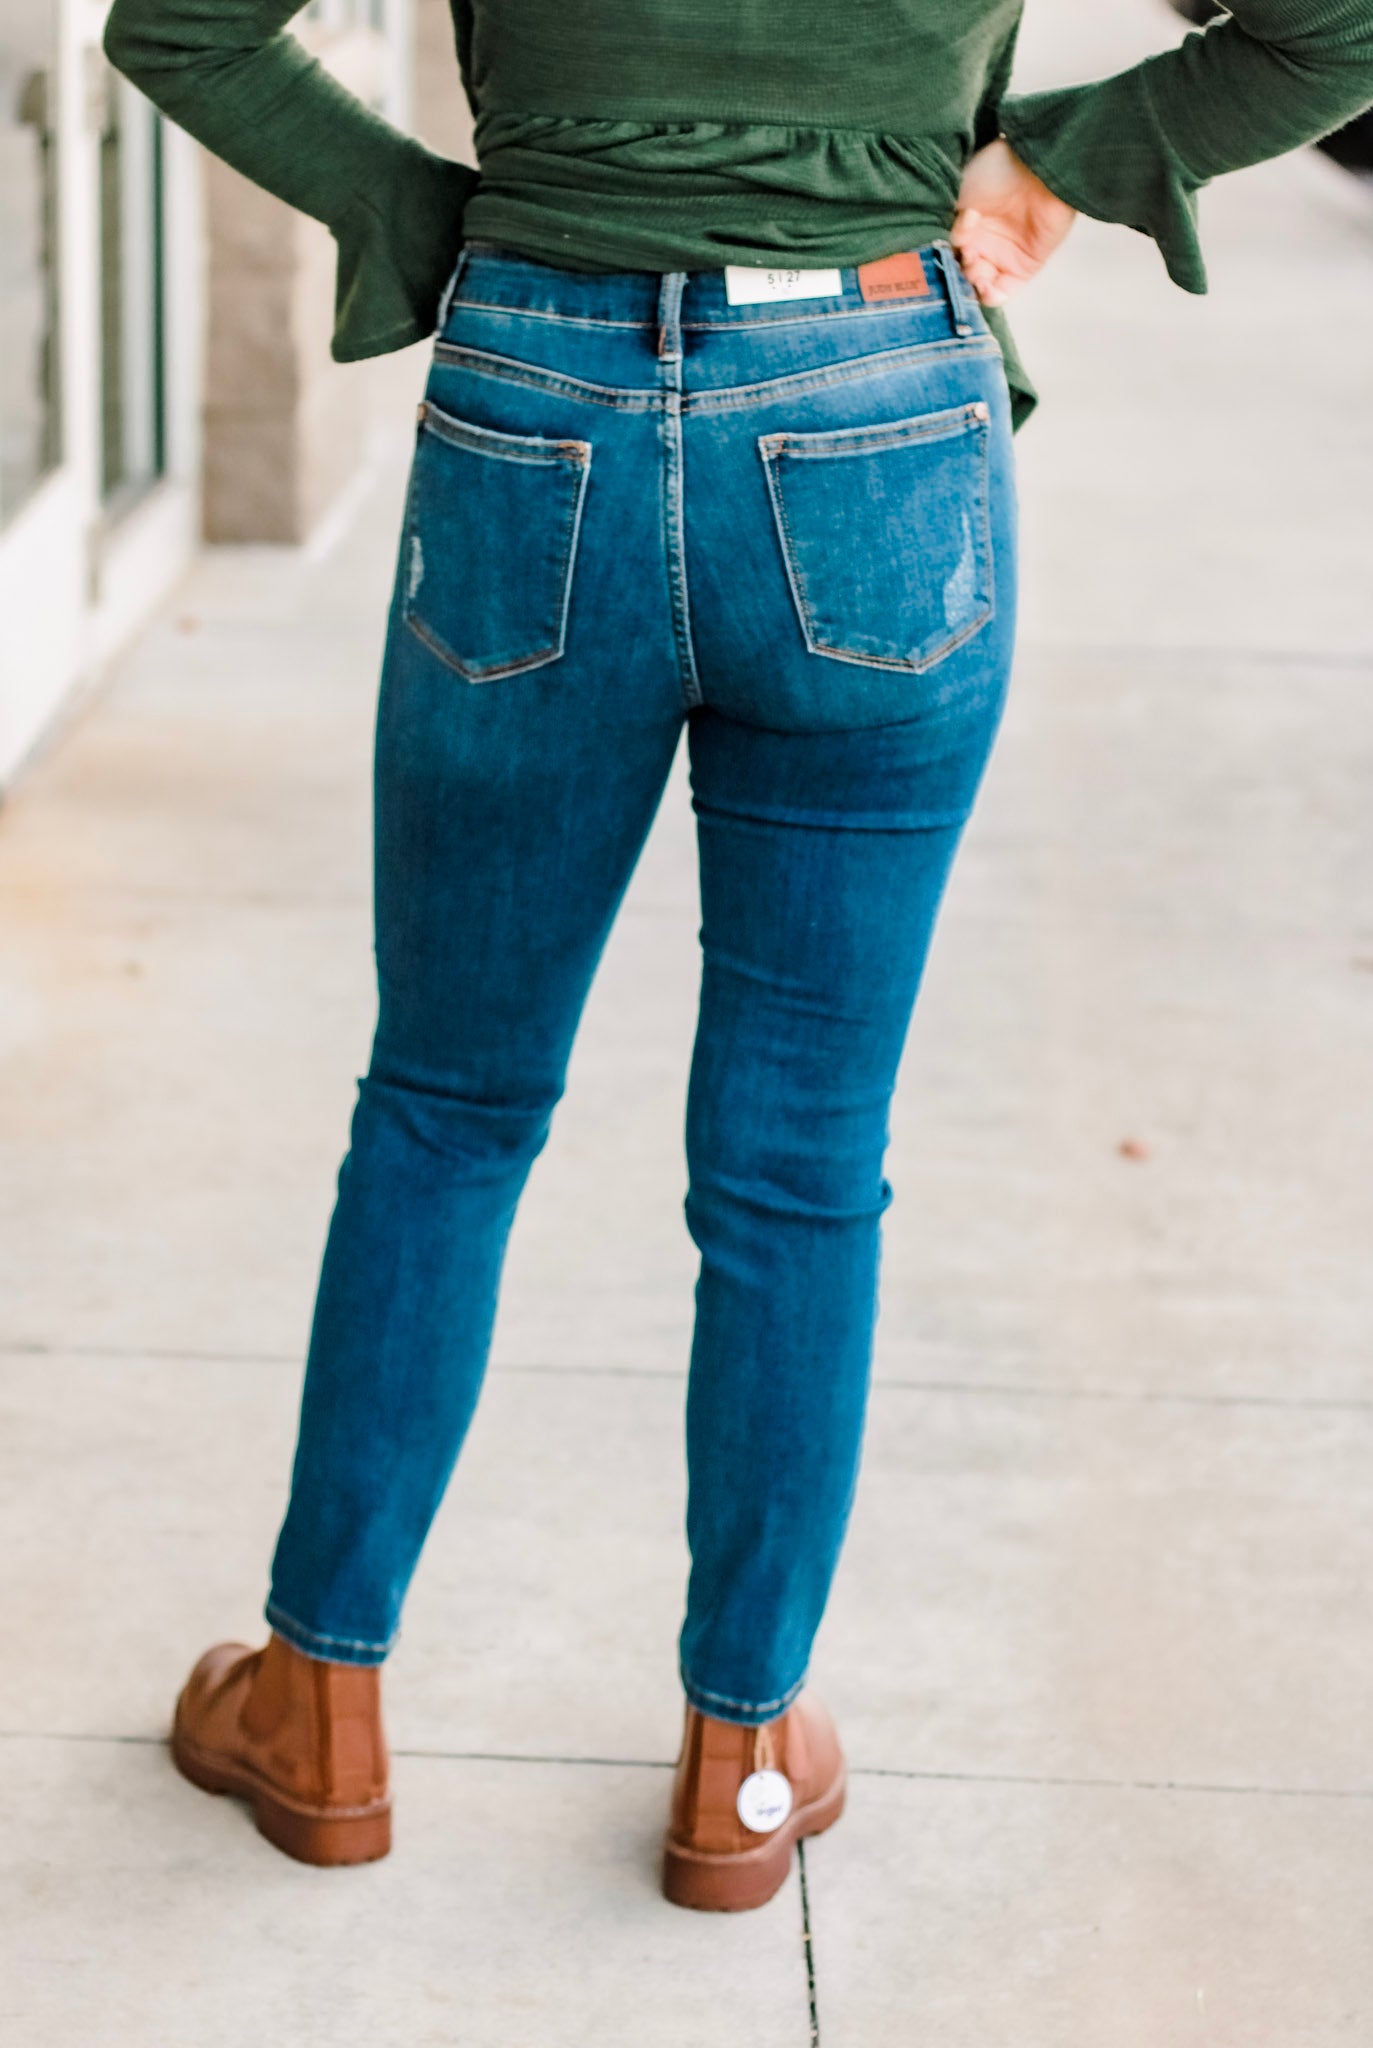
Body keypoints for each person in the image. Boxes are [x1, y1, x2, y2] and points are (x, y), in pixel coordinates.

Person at [102, 0, 1373, 1911]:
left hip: (538, 391)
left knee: (445, 1106)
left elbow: (183, 27)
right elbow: (1327, 30)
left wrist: (420, 214)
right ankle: (741, 1758)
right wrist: (1060, 162)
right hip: (876, 405)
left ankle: (321, 1703)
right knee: (799, 1160)